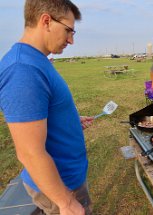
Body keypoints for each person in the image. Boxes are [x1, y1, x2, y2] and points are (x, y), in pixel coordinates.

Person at [0, 0, 94, 214]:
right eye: (69, 31)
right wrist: (66, 203)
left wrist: (69, 122)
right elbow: (29, 153)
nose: (71, 40)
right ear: (46, 21)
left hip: (68, 178)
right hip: (61, 187)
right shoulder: (22, 70)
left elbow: (42, 111)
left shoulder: (37, 60)